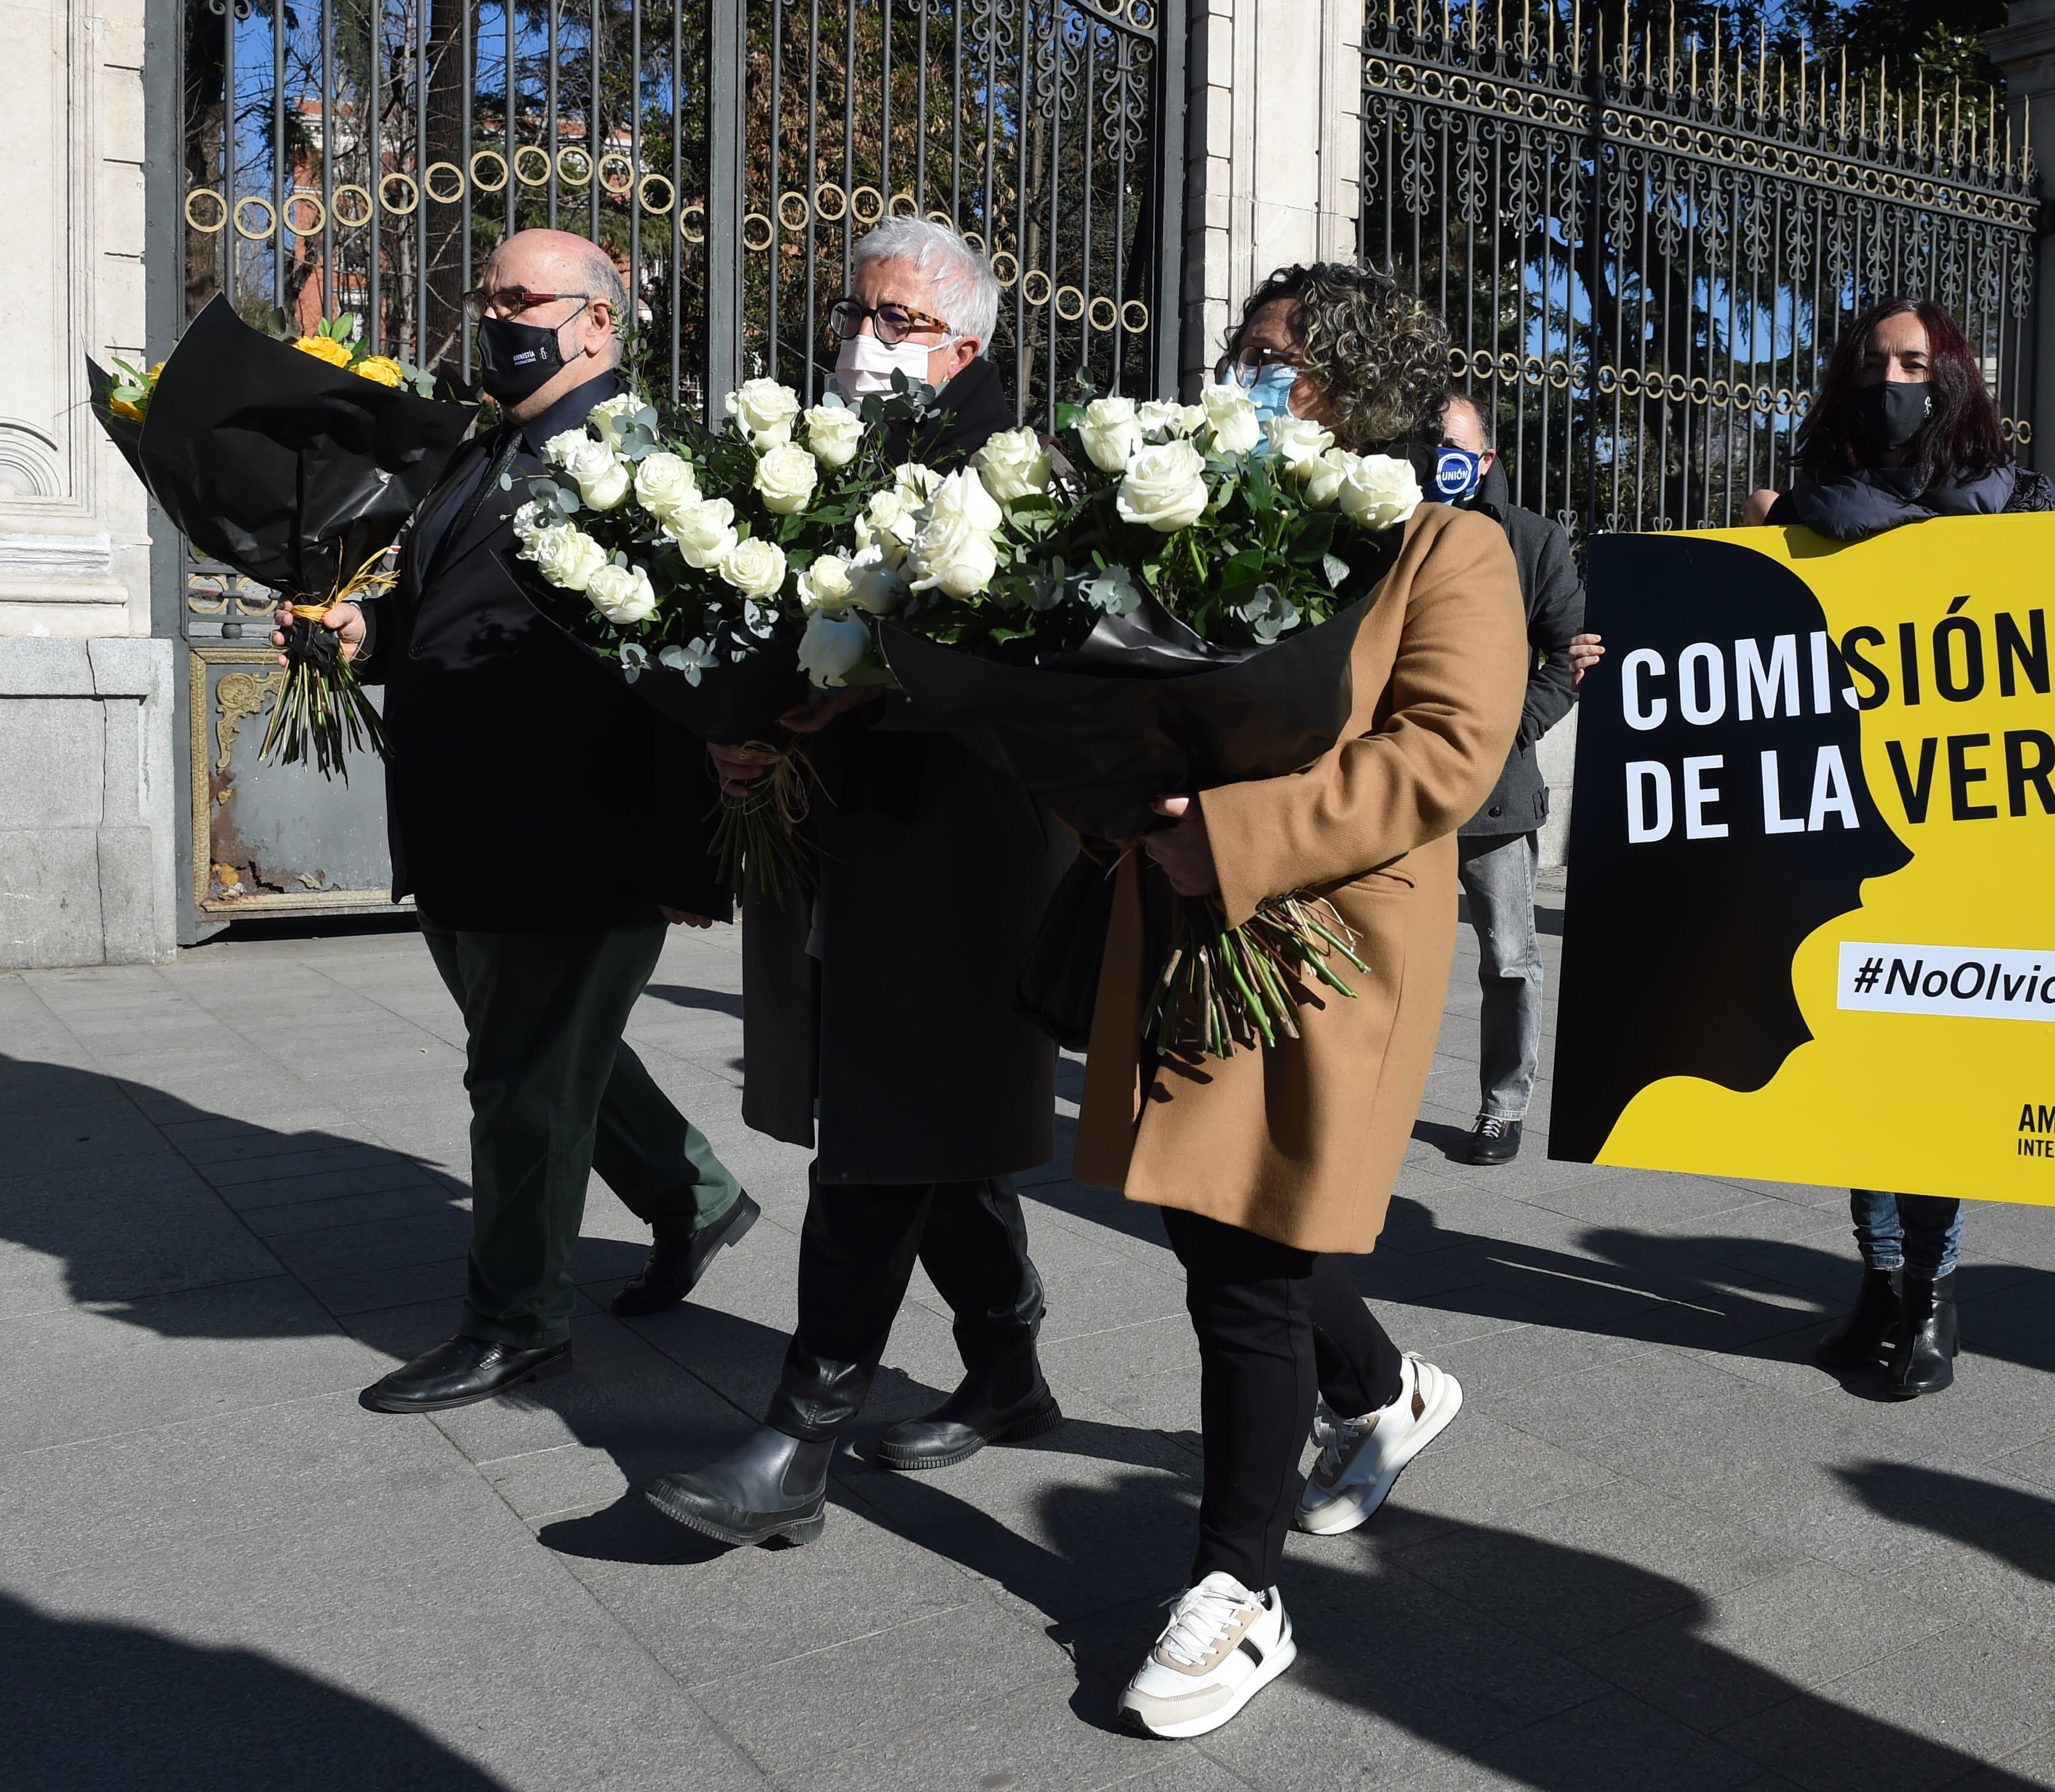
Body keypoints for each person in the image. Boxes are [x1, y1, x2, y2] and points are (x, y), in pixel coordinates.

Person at [1635, 295, 2055, 1400]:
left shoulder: (2024, 508)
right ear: (1849, 379)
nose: (1899, 380)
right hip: (1850, 826)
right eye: (1879, 362)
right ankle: (1881, 1280)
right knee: (1854, 1072)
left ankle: (1932, 1294)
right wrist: (1638, 667)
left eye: (1920, 360)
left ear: (1958, 378)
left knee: (1941, 1076)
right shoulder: (1795, 513)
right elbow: (1730, 667)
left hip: (1982, 836)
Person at [1083, 264, 1528, 1737]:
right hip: (1183, 918)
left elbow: (1445, 756)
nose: (1250, 375)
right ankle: (1388, 1389)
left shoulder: (1447, 548)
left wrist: (1233, 832)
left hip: (1326, 943)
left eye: (1278, 356)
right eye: (1244, 351)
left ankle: (1236, 1592)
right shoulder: (1206, 517)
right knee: (1220, 1216)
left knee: (1248, 1265)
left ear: (1353, 380)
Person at [641, 219, 1072, 1549]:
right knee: (920, 1138)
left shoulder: (1017, 469)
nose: (861, 340)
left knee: (879, 1144)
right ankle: (1007, 1366)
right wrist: (738, 727)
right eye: (855, 312)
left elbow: (1032, 673)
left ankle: (797, 1436)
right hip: (840, 846)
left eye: (895, 319)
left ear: (967, 342)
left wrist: (878, 694)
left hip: (957, 866)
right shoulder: (830, 459)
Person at [297, 229, 758, 1414]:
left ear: (597, 324)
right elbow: (439, 609)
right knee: (549, 1060)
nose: (492, 317)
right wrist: (368, 636)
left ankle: (517, 1323)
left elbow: (687, 678)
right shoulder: (483, 447)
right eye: (486, 295)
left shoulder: (638, 465)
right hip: (464, 832)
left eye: (520, 299)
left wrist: (685, 862)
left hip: (575, 846)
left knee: (521, 1090)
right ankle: (696, 1197)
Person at [1433, 394, 1584, 1166]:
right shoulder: (1386, 528)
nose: (1439, 458)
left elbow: (1568, 657)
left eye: (1454, 445)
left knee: (1509, 956)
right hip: (1400, 788)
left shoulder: (1531, 540)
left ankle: (1504, 1103)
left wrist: (1503, 730)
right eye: (1429, 443)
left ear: (1486, 458)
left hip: (1495, 785)